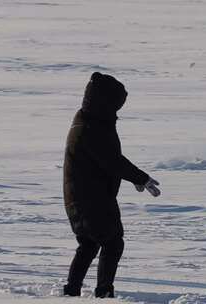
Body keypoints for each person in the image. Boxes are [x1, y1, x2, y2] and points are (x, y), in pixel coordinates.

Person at [63, 72, 161, 298]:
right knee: (112, 243)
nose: (118, 110)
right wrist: (140, 178)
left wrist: (134, 178)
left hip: (83, 197)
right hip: (91, 199)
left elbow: (108, 160)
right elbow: (111, 160)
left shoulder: (90, 121)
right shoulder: (90, 128)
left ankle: (72, 291)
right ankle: (104, 293)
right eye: (117, 104)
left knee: (89, 244)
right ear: (105, 102)